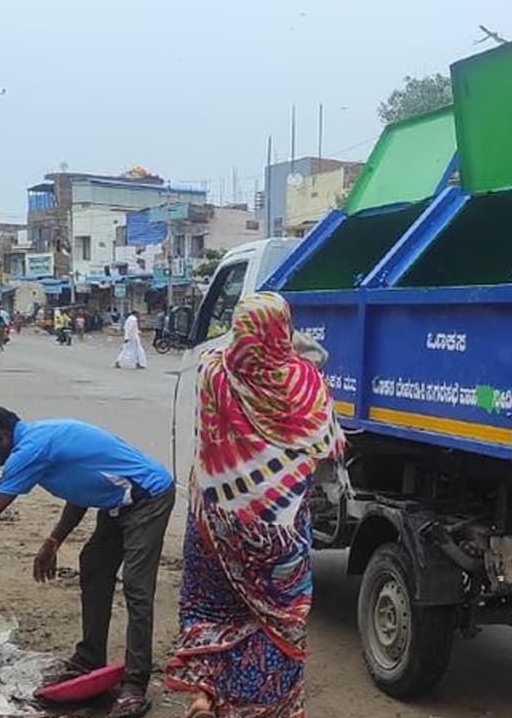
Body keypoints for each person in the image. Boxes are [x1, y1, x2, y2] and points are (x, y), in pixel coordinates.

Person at [0, 404, 175, 718]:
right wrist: (54, 540)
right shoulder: (43, 437)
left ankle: (135, 685)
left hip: (148, 496)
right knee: (94, 566)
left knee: (137, 587)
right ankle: (89, 658)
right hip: (117, 502)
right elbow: (81, 488)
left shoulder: (29, 450)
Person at [164, 292, 345, 718]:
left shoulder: (213, 373)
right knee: (280, 618)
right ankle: (264, 709)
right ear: (283, 331)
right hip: (274, 530)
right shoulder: (306, 384)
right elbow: (328, 450)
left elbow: (226, 354)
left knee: (208, 608)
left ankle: (206, 693)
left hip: (213, 521)